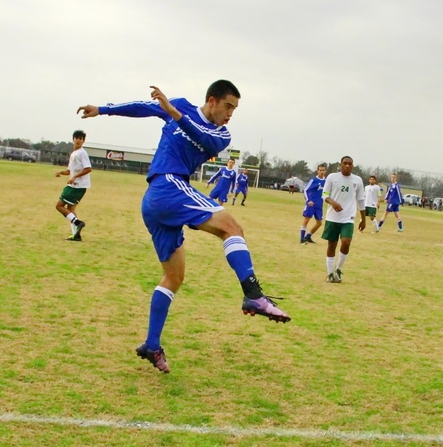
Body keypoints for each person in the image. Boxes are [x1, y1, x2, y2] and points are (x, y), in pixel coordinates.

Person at [77, 81, 290, 374]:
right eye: (228, 107)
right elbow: (143, 107)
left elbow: (195, 131)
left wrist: (173, 113)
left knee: (173, 278)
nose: (230, 115)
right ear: (212, 101)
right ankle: (253, 294)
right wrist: (102, 109)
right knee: (233, 229)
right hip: (164, 187)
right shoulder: (180, 106)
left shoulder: (220, 135)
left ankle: (152, 345)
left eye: (235, 109)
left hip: (164, 196)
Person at [321, 156, 366, 283]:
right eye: (345, 163)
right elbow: (324, 194)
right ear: (340, 165)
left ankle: (339, 269)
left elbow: (361, 200)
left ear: (353, 165)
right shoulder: (332, 177)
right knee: (332, 244)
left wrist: (363, 219)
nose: (347, 166)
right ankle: (330, 273)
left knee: (346, 241)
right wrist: (333, 202)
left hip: (348, 218)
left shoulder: (357, 180)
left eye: (350, 164)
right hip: (332, 217)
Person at [54, 130, 92, 241]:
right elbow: (70, 171)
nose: (78, 140)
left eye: (80, 138)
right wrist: (61, 173)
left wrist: (74, 177)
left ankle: (78, 222)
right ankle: (76, 235)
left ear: (83, 141)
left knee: (59, 206)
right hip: (76, 185)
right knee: (70, 209)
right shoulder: (74, 154)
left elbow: (88, 168)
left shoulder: (82, 153)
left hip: (77, 186)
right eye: (76, 138)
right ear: (73, 139)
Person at [300, 163, 327, 244]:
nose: (321, 172)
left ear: (325, 171)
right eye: (320, 170)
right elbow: (305, 190)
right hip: (311, 204)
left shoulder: (326, 181)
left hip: (319, 205)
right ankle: (302, 239)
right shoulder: (313, 180)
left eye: (323, 170)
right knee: (306, 220)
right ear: (317, 171)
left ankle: (308, 236)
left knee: (319, 223)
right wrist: (309, 200)